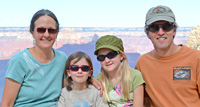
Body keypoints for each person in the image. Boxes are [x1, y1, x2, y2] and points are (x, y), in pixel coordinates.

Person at [135, 5, 200, 107]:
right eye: (154, 27)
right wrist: (100, 82)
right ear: (148, 33)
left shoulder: (196, 58)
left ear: (174, 31)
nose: (160, 32)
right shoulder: (142, 63)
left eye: (166, 27)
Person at [1, 9, 67, 107]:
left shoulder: (62, 59)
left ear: (57, 33)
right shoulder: (19, 61)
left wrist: (91, 80)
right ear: (32, 32)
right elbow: (7, 104)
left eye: (51, 30)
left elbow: (69, 91)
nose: (46, 34)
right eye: (41, 30)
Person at [94, 35, 145, 107]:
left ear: (121, 56)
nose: (107, 60)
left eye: (111, 55)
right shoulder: (99, 79)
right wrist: (91, 79)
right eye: (101, 57)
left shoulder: (135, 76)